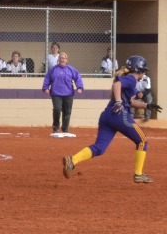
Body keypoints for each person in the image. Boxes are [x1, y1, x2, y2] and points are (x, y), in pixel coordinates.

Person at [63, 55, 162, 184]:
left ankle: (73, 160)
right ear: (139, 69)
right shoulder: (131, 79)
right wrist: (119, 102)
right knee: (142, 140)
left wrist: (147, 105)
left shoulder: (129, 79)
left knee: (99, 148)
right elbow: (117, 85)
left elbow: (130, 101)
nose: (144, 72)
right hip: (119, 115)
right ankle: (138, 174)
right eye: (143, 69)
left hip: (107, 115)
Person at [42, 51, 84, 136]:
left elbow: (77, 78)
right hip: (56, 93)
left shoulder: (71, 69)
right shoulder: (53, 69)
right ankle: (56, 128)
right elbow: (47, 79)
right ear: (58, 59)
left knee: (67, 111)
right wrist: (46, 88)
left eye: (64, 58)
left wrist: (79, 87)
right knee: (57, 109)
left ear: (66, 60)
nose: (62, 59)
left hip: (68, 93)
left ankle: (65, 129)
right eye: (61, 58)